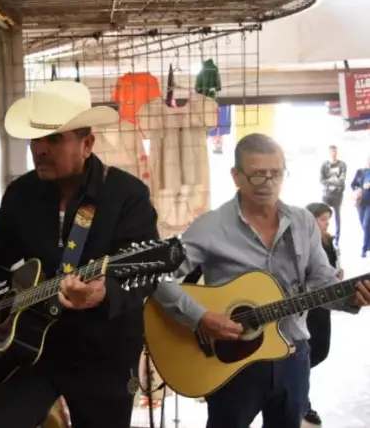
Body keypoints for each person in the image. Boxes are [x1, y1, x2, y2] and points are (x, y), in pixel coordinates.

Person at [0, 81, 160, 428]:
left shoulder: (127, 195)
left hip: (103, 354)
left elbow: (146, 272)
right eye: (35, 139)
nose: (40, 150)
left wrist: (102, 292)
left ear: (87, 143)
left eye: (54, 139)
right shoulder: (22, 193)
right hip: (31, 352)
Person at [152, 133, 370, 428]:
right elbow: (157, 274)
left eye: (276, 174)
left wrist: (353, 297)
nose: (268, 183)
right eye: (257, 175)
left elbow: (322, 281)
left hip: (293, 355)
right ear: (236, 176)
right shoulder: (210, 227)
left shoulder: (303, 221)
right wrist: (200, 318)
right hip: (231, 361)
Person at [302, 202, 341, 426]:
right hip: (309, 304)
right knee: (305, 354)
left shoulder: (328, 241)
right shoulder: (305, 242)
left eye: (328, 219)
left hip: (325, 304)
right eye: (323, 219)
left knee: (320, 350)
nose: (327, 223)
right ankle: (301, 400)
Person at [320, 144, 346, 246]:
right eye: (332, 151)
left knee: (337, 216)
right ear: (329, 153)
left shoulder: (342, 165)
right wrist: (333, 182)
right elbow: (321, 180)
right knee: (323, 216)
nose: (333, 153)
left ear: (337, 152)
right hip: (326, 194)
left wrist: (331, 182)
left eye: (335, 151)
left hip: (337, 195)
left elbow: (342, 180)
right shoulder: (324, 165)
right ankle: (324, 236)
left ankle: (337, 239)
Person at [350, 156, 370, 258]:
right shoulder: (360, 172)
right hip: (360, 202)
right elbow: (352, 185)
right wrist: (357, 190)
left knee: (366, 225)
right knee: (363, 225)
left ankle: (364, 248)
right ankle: (368, 244)